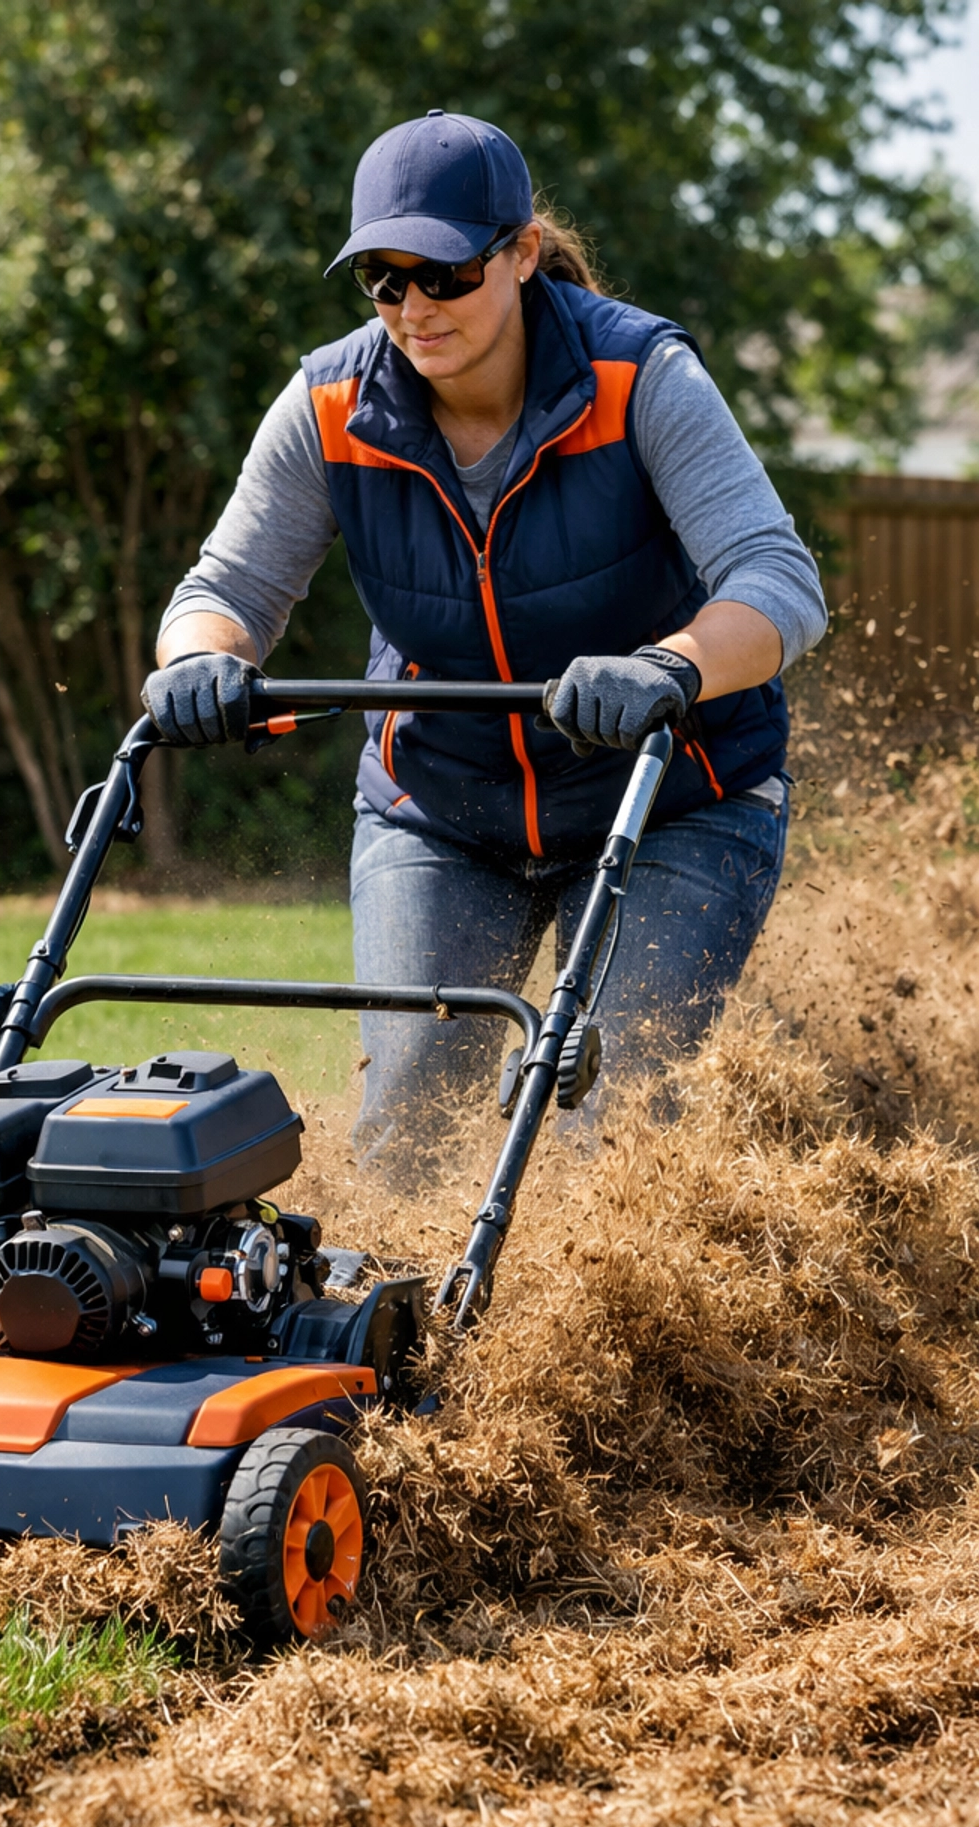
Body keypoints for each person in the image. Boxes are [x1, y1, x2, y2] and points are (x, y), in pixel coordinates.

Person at [144, 112, 826, 1177]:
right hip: (445, 809)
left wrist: (667, 668)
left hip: (678, 800)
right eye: (382, 277)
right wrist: (196, 661)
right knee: (407, 1137)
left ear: (518, 254)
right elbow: (225, 588)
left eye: (446, 273)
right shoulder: (329, 403)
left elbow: (779, 584)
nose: (413, 306)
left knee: (614, 1109)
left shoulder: (636, 376)